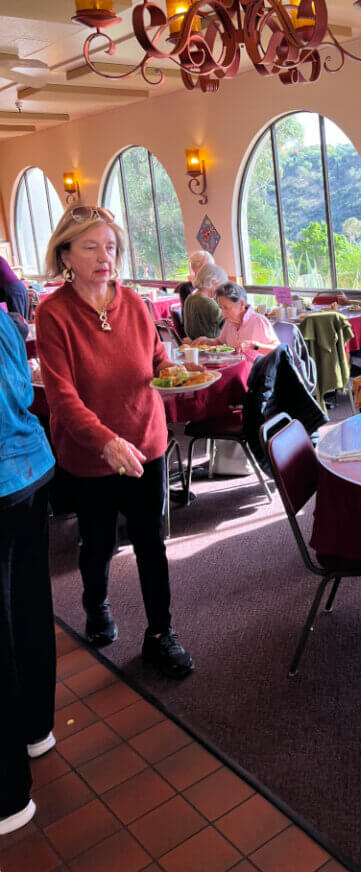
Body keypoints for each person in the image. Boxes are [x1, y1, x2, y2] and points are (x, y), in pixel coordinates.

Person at [36, 204, 194, 678]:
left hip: (146, 440)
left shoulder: (136, 304)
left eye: (110, 247)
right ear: (66, 255)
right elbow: (62, 397)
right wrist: (105, 442)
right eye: (90, 247)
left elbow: (155, 354)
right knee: (99, 542)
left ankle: (161, 634)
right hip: (92, 453)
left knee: (151, 542)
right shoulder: (53, 314)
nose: (105, 257)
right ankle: (96, 602)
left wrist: (170, 369)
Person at [0, 308, 56, 836]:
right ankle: (36, 728)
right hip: (31, 470)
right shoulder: (4, 320)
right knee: (29, 608)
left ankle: (7, 794)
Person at [190, 281, 279, 355]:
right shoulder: (229, 322)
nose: (223, 314)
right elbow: (220, 342)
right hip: (234, 369)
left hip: (256, 373)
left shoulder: (259, 321)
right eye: (221, 308)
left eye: (226, 308)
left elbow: (278, 350)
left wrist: (255, 346)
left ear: (241, 304)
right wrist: (207, 341)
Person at [183, 261, 226, 340]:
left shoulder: (189, 298)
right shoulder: (207, 302)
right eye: (220, 285)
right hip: (211, 347)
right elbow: (226, 324)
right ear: (213, 282)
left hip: (195, 344)